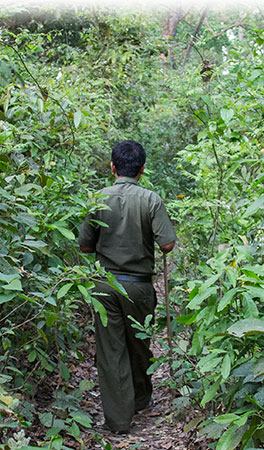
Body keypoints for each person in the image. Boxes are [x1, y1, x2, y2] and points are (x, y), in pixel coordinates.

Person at [78, 140, 176, 433]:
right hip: (139, 287)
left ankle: (119, 420)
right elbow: (167, 244)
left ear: (112, 167)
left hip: (105, 285)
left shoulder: (97, 199)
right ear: (142, 169)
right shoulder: (151, 200)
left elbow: (84, 247)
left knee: (111, 351)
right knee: (139, 343)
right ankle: (140, 400)